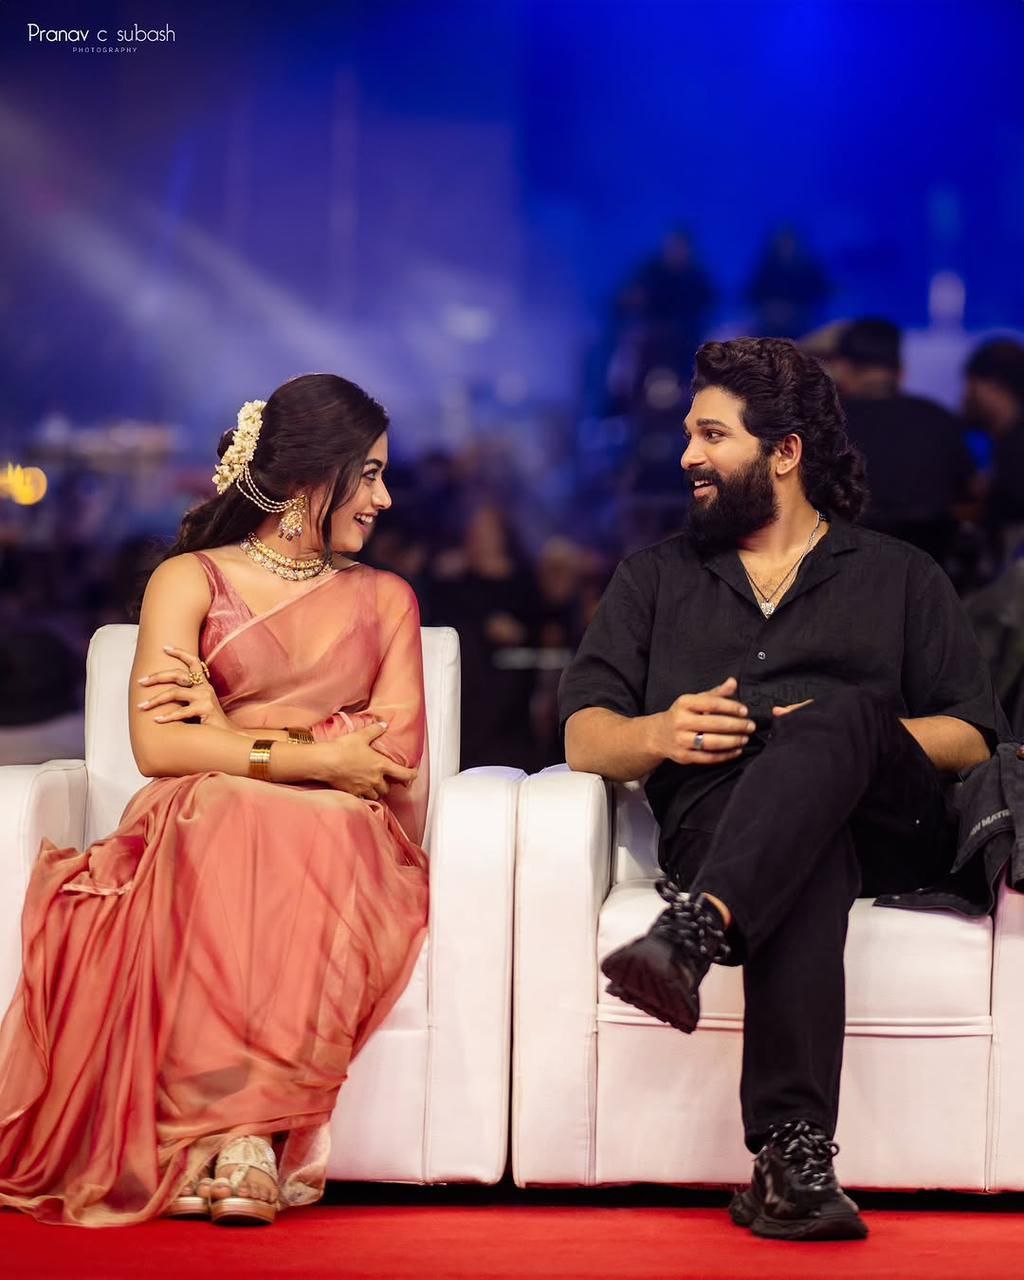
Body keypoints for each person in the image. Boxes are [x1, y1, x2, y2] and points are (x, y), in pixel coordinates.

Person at [559, 338, 1003, 1242]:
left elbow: (971, 733)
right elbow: (583, 735)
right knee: (809, 852)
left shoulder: (898, 574)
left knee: (843, 716)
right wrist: (658, 732)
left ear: (786, 452)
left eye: (712, 435)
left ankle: (694, 931)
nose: (687, 455)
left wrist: (846, 734)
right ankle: (792, 1159)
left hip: (889, 821)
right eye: (690, 434)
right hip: (722, 825)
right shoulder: (655, 578)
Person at [0, 374, 430, 1227]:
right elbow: (160, 748)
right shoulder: (190, 581)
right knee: (221, 810)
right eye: (371, 475)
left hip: (345, 832)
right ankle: (241, 1139)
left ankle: (234, 1139)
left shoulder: (386, 599)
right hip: (208, 818)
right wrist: (319, 751)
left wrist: (229, 735)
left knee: (273, 811)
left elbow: (389, 762)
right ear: (313, 476)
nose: (384, 499)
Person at [833, 318, 975, 566]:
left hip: (846, 571)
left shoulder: (829, 424)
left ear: (843, 368)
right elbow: (967, 493)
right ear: (901, 371)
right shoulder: (938, 418)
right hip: (931, 570)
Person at [962, 337, 1024, 562]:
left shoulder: (1015, 449)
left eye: (970, 385)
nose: (964, 396)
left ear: (994, 385)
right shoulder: (1006, 444)